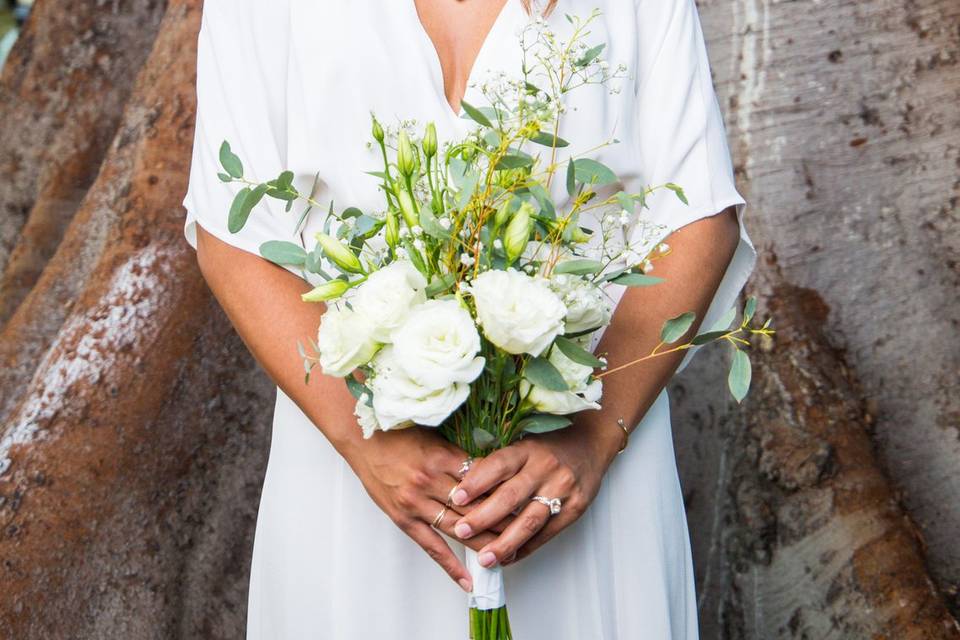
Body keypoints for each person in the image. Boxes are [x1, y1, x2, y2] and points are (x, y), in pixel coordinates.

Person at [180, 0, 756, 637]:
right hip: (353, 466)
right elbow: (232, 234)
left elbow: (700, 214)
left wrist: (591, 440)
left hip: (583, 456)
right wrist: (365, 441)